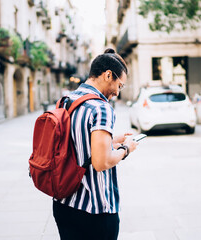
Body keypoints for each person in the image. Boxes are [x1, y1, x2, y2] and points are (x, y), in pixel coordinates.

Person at [52, 48, 139, 240]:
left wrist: (110, 140)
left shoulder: (66, 101)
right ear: (108, 75)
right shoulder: (101, 107)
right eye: (119, 85)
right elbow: (101, 163)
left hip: (63, 204)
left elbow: (74, 143)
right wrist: (126, 149)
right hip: (95, 210)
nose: (117, 92)